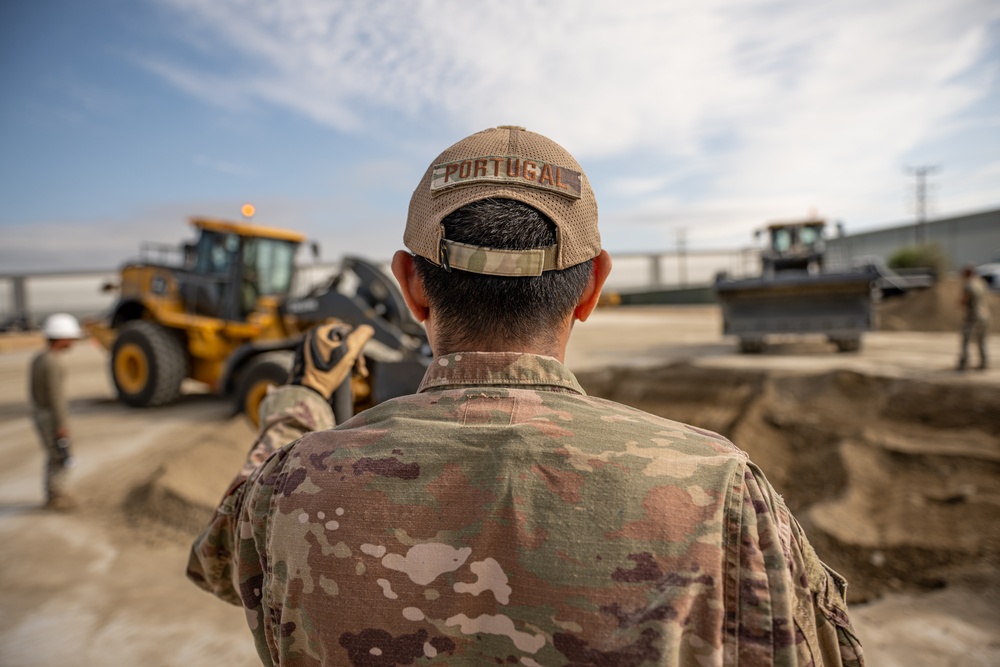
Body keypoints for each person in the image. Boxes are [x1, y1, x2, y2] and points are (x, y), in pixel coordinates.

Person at [188, 125, 864, 666]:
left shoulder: (294, 484)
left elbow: (222, 561)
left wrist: (302, 400)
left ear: (411, 283)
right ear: (593, 285)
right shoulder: (722, 492)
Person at [30, 313, 83, 510]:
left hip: (41, 412)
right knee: (60, 455)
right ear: (61, 338)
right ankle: (56, 495)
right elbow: (56, 397)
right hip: (50, 417)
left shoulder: (40, 358)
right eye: (71, 337)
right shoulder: (53, 362)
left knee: (55, 454)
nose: (73, 341)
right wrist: (61, 425)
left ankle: (56, 492)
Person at [957, 264, 991, 371]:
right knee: (982, 339)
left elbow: (963, 301)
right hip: (985, 314)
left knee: (966, 339)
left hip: (973, 315)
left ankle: (964, 363)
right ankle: (984, 363)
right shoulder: (980, 283)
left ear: (967, 273)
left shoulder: (968, 285)